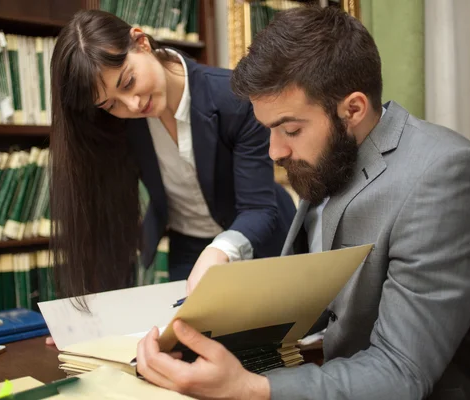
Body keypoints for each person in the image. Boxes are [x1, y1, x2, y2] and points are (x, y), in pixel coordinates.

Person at [136, 6, 470, 400]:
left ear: (352, 109)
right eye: (269, 129)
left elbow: (401, 371)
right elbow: (321, 303)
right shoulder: (330, 155)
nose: (274, 151)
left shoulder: (444, 174)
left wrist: (250, 387)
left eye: (290, 129)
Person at [48, 9, 296, 301]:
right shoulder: (116, 124)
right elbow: (101, 214)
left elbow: (258, 209)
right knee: (185, 342)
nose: (132, 104)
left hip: (261, 243)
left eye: (128, 82)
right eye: (110, 104)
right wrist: (86, 320)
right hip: (188, 246)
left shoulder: (234, 99)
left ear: (140, 42)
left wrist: (220, 251)